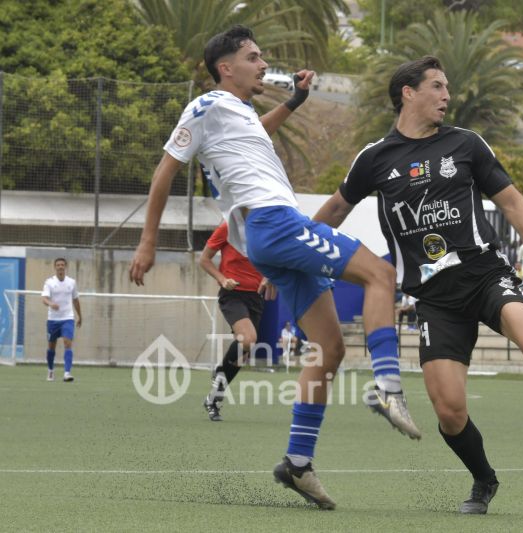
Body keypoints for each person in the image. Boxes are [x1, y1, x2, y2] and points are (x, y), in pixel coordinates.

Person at [312, 55, 523, 514]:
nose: (447, 95)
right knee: (449, 412)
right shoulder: (374, 159)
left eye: (447, 86)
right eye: (437, 86)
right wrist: (294, 251)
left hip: (485, 275)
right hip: (434, 299)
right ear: (408, 93)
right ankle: (483, 479)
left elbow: (512, 201)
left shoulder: (465, 144)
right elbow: (335, 211)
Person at [127, 26, 421, 510]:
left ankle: (298, 464)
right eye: (253, 57)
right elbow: (165, 170)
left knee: (329, 348)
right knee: (381, 275)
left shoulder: (238, 112)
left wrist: (295, 102)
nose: (263, 64)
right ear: (226, 68)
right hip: (274, 222)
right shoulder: (205, 105)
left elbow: (254, 134)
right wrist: (147, 242)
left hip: (269, 237)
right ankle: (388, 386)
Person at [199, 221, 272, 421]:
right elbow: (204, 260)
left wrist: (269, 276)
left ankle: (213, 399)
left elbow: (274, 259)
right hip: (233, 294)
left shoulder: (266, 226)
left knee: (242, 355)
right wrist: (223, 279)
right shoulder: (228, 227)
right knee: (248, 339)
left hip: (256, 297)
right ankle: (219, 372)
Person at [41, 258, 82, 382]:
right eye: (58, 265)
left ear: (65, 267)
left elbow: (75, 300)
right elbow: (44, 298)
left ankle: (67, 373)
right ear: (55, 267)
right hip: (53, 320)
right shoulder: (49, 282)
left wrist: (80, 316)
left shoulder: (72, 282)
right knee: (51, 346)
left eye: (62, 265)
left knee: (67, 343)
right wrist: (51, 304)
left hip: (67, 318)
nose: (60, 267)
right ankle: (50, 370)